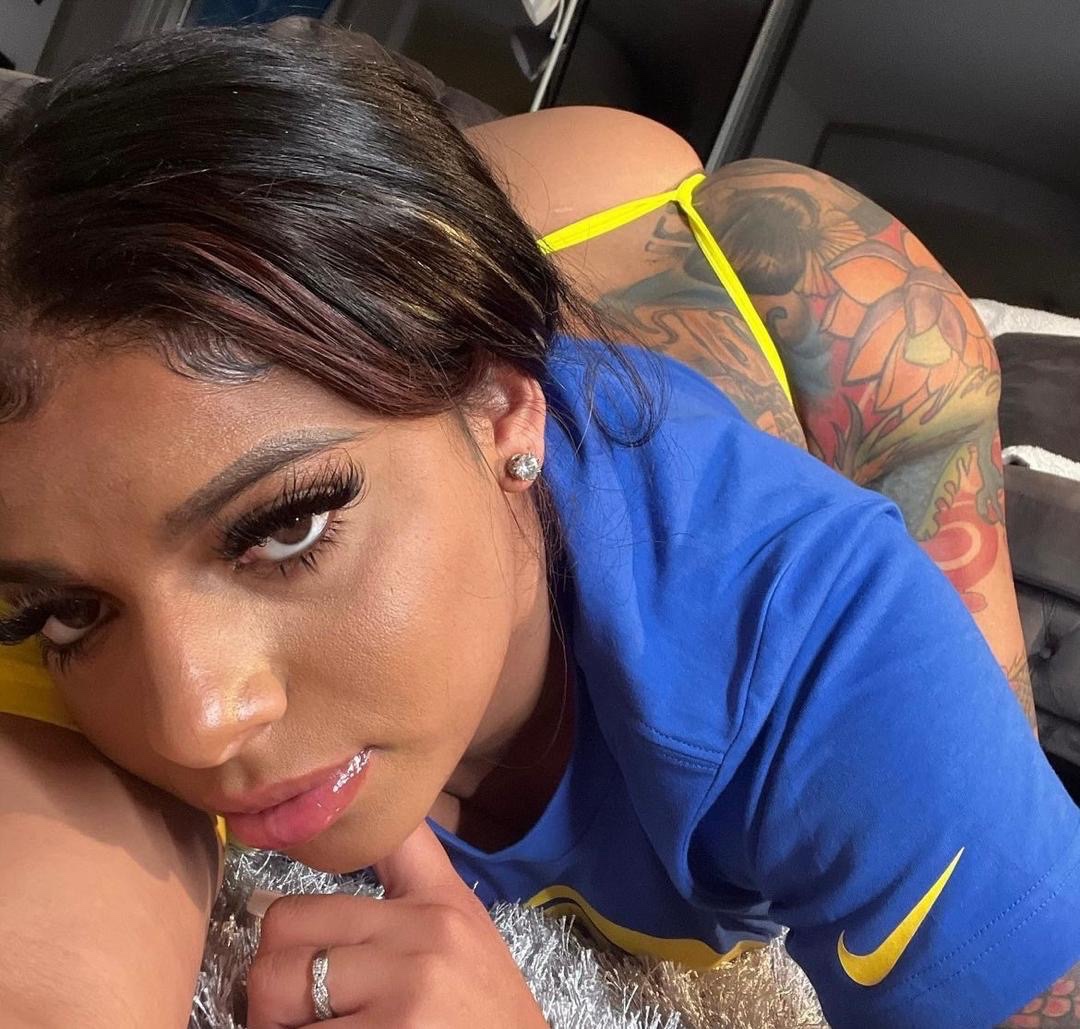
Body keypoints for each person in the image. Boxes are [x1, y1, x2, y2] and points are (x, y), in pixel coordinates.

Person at [0, 26, 1075, 1029]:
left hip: (779, 336)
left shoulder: (818, 644)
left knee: (888, 355)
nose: (194, 725)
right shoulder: (74, 489)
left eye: (287, 530)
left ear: (506, 409)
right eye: (70, 612)